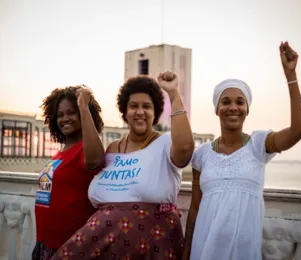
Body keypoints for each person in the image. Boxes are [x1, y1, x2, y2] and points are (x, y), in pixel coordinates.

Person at [182, 42, 301, 260]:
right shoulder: (202, 154)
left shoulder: (259, 144)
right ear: (217, 109)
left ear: (247, 109)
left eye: (240, 102)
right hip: (205, 249)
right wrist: (185, 254)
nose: (233, 107)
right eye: (226, 101)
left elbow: (299, 130)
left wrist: (291, 76)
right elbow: (194, 211)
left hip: (244, 252)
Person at [51, 71, 194, 260]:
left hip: (153, 245)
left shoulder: (165, 144)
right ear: (125, 113)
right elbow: (91, 162)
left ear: (156, 113)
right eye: (133, 106)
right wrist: (83, 107)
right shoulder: (113, 148)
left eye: (147, 107)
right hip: (103, 243)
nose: (140, 112)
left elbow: (185, 149)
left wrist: (173, 93)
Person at [32, 86, 105, 260]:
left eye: (72, 112)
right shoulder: (62, 152)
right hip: (45, 242)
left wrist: (84, 105)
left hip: (70, 246)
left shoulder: (84, 150)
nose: (65, 119)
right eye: (60, 115)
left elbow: (96, 160)